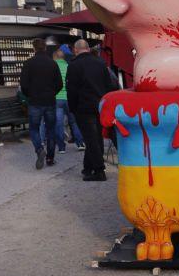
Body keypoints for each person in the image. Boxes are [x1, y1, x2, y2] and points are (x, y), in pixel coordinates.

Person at [67, 38, 118, 181]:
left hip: (83, 107)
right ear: (88, 49)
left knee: (91, 140)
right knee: (96, 138)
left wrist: (73, 108)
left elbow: (72, 90)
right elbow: (109, 85)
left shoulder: (74, 66)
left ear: (76, 50)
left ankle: (99, 170)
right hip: (100, 105)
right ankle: (88, 168)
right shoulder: (100, 63)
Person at [19, 38, 63, 170]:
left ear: (34, 48)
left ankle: (39, 150)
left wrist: (30, 95)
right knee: (50, 130)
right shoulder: (52, 63)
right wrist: (51, 93)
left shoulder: (28, 63)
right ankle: (50, 158)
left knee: (34, 128)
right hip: (49, 101)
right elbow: (59, 84)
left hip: (35, 101)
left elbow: (24, 85)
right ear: (45, 48)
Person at [52, 49, 85, 153]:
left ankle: (61, 148)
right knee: (74, 122)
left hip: (57, 99)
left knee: (58, 123)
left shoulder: (52, 67)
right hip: (69, 98)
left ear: (55, 57)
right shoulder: (69, 66)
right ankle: (80, 143)